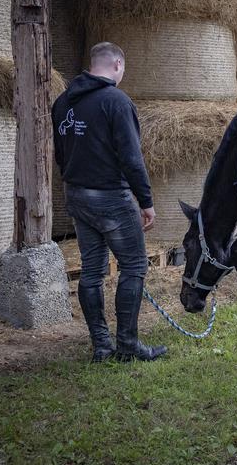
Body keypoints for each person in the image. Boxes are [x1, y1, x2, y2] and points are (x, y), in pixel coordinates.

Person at [52, 42, 167, 363]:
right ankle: (127, 345)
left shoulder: (63, 103)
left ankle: (102, 345)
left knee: (91, 271)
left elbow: (60, 155)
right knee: (134, 266)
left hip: (75, 194)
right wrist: (146, 201)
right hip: (111, 198)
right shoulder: (116, 101)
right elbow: (132, 158)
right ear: (117, 64)